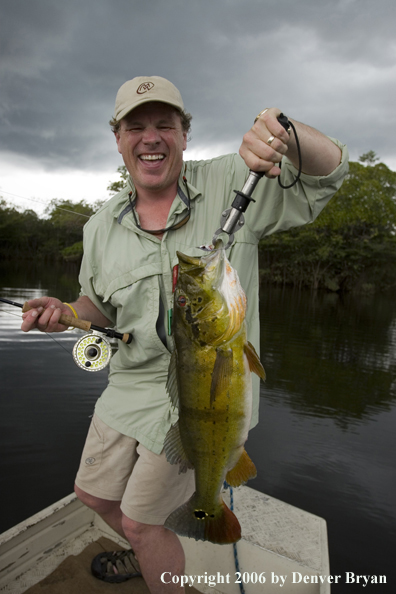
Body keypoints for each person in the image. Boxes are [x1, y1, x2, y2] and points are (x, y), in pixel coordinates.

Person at [21, 76, 348, 592]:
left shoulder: (230, 179)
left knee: (141, 524)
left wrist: (283, 132)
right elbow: (97, 307)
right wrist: (64, 310)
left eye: (164, 125)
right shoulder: (99, 226)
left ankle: (155, 548)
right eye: (136, 126)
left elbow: (328, 175)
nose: (150, 137)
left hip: (201, 404)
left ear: (184, 134)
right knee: (94, 497)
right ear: (118, 139)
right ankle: (147, 548)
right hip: (128, 387)